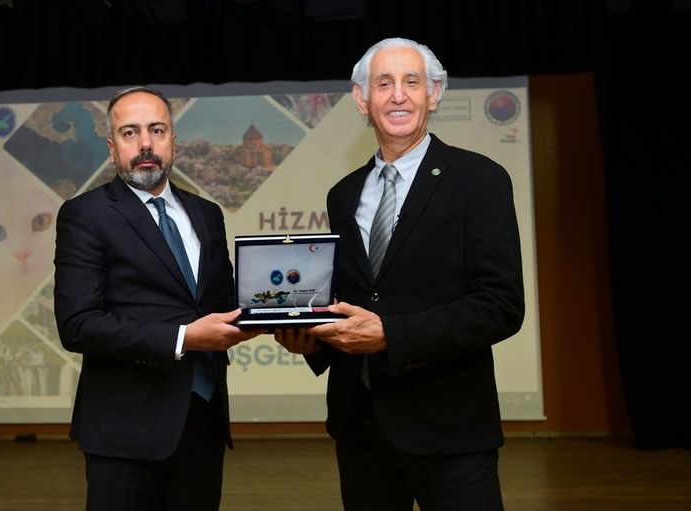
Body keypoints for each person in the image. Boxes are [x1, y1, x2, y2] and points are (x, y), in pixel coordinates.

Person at [274, 38, 525, 510]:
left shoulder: (479, 180)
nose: (398, 95)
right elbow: (354, 299)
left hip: (450, 426)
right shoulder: (343, 195)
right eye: (384, 83)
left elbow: (501, 306)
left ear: (434, 94)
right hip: (360, 425)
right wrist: (310, 339)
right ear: (361, 99)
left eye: (412, 82)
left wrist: (391, 335)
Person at [54, 86, 261, 511]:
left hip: (203, 424)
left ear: (173, 142)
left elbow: (222, 302)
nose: (145, 143)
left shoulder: (206, 214)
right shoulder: (86, 214)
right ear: (112, 148)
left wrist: (287, 309)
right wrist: (184, 338)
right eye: (130, 133)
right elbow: (78, 325)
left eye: (157, 130)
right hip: (125, 434)